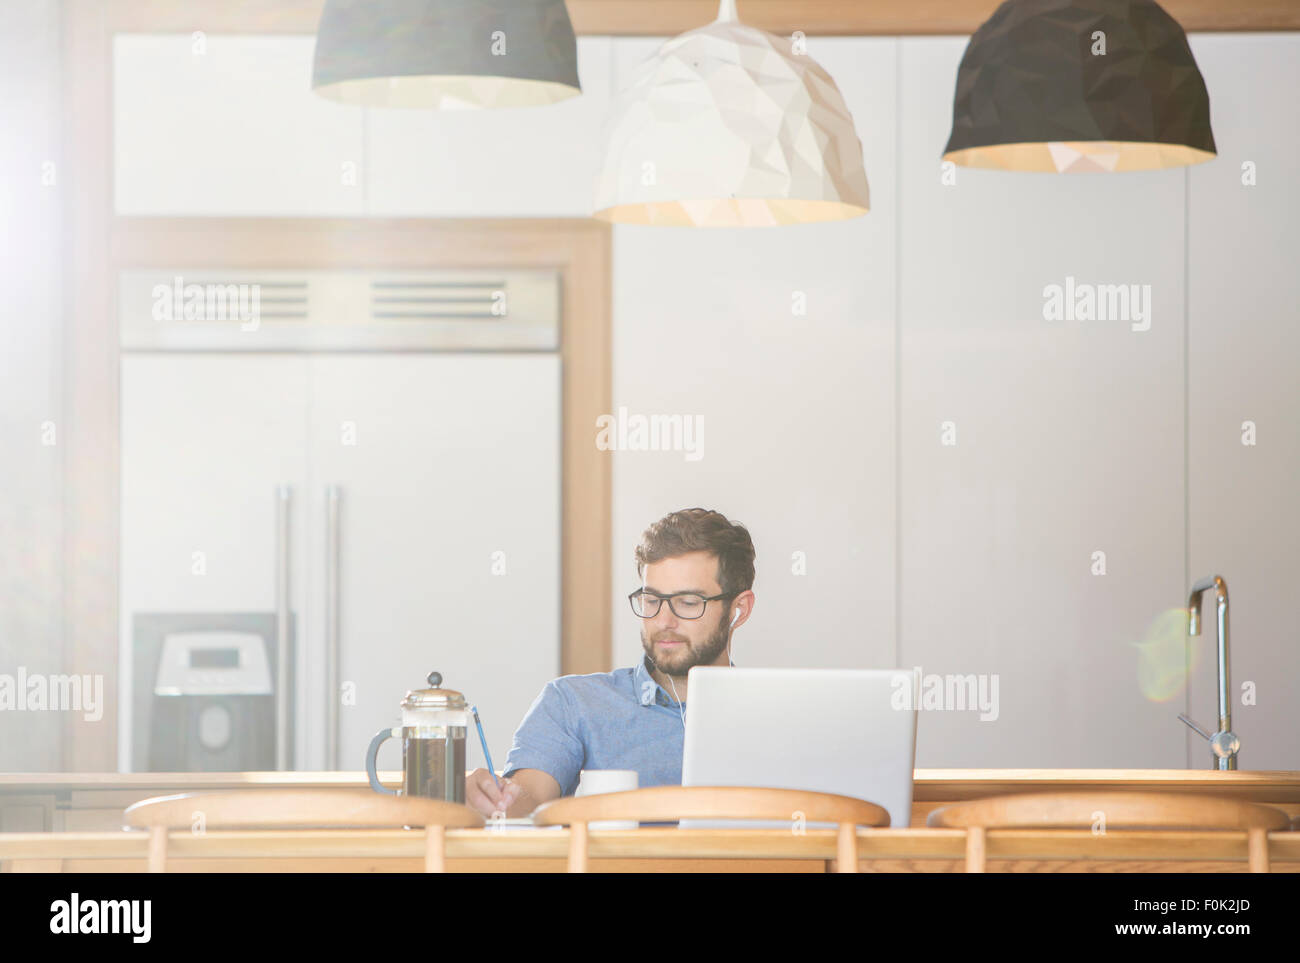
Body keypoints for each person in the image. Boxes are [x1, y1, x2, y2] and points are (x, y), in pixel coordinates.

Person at [465, 507, 755, 817]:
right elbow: (529, 796)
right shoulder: (573, 703)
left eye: (687, 602)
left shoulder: (774, 713)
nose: (663, 620)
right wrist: (494, 800)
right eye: (652, 600)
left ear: (739, 609)